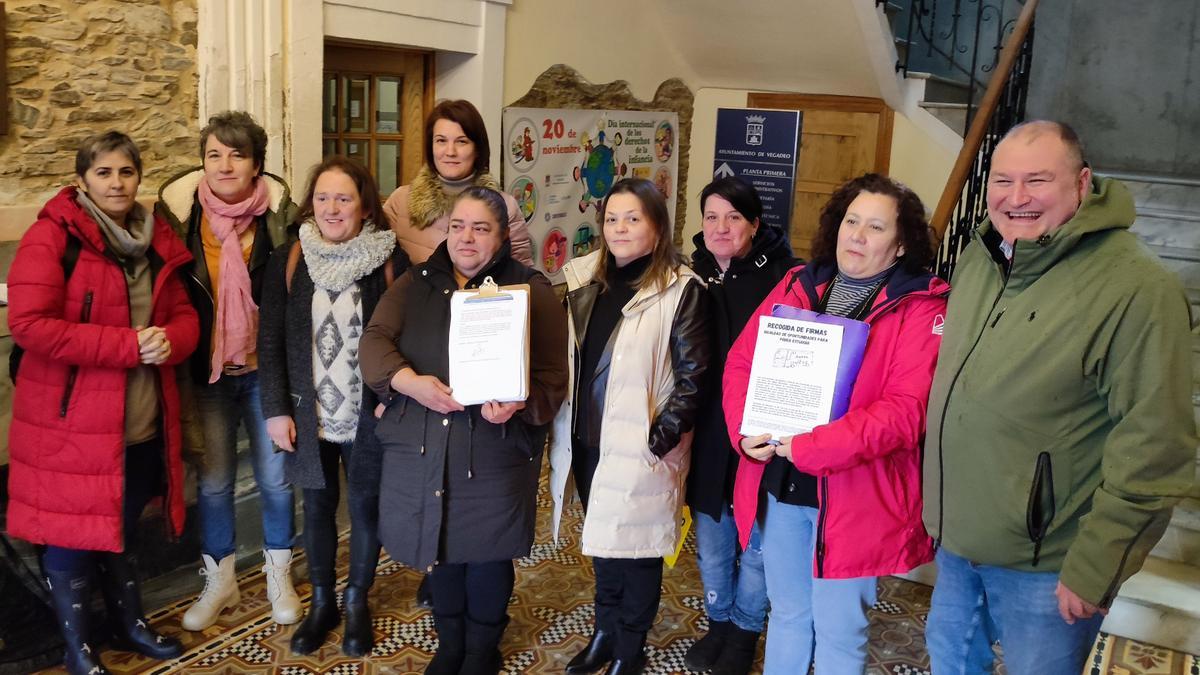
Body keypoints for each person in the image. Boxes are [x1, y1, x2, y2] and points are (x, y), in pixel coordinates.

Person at [922, 121, 1196, 675]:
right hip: (959, 545)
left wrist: (1098, 567)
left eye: (1038, 180)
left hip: (1048, 563)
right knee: (949, 661)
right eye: (1003, 180)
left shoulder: (1136, 288)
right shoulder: (981, 257)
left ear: (1082, 183)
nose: (1016, 198)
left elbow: (1156, 447)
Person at [723, 174, 948, 674]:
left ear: (901, 243)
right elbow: (743, 362)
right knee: (786, 615)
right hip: (782, 483)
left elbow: (905, 411)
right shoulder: (801, 282)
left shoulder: (922, 307)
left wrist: (812, 446)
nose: (857, 236)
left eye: (874, 226)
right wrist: (745, 429)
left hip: (854, 496)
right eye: (851, 221)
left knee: (840, 632)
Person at [7, 132, 199, 674]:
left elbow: (183, 314)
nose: (117, 183)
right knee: (70, 537)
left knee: (122, 526)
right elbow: (28, 325)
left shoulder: (155, 236)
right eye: (104, 173)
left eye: (126, 172)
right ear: (83, 180)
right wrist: (127, 345)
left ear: (139, 178)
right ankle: (78, 649)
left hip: (139, 420)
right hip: (71, 422)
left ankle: (130, 625)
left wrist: (171, 340)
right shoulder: (52, 237)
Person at [361, 186, 568, 674]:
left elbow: (554, 378)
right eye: (458, 226)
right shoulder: (416, 283)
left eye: (481, 228)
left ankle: (480, 651)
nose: (466, 238)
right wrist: (408, 382)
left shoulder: (529, 290)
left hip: (493, 451)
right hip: (427, 444)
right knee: (444, 552)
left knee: (489, 555)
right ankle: (450, 645)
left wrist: (519, 403)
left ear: (501, 237)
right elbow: (373, 343)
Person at [549, 178, 711, 675]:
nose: (620, 229)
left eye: (633, 218)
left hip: (642, 446)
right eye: (612, 219)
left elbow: (694, 377)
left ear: (657, 226)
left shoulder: (681, 290)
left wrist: (657, 441)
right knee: (603, 539)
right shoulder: (584, 280)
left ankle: (629, 648)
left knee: (637, 550)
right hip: (587, 439)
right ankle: (604, 632)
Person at [257, 156, 410, 656]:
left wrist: (392, 398)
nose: (331, 207)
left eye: (343, 198)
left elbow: (408, 339)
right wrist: (276, 409)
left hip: (369, 413)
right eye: (322, 197)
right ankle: (323, 601)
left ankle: (357, 600)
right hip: (308, 414)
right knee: (317, 508)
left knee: (366, 506)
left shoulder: (391, 261)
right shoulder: (290, 258)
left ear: (365, 206)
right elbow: (271, 340)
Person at [155, 110, 301, 631]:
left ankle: (277, 573)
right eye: (214, 154)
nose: (224, 164)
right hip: (208, 375)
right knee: (214, 483)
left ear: (257, 165)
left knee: (275, 479)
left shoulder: (280, 218)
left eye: (236, 154)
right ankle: (220, 579)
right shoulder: (182, 218)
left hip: (267, 372)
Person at [684, 177, 796, 675]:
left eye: (734, 217)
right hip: (707, 429)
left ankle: (746, 629)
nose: (721, 227)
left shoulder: (789, 278)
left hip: (759, 432)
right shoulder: (692, 276)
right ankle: (720, 621)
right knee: (713, 537)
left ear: (754, 223)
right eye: (712, 217)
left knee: (755, 540)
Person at [383, 99, 532, 266]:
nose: (450, 152)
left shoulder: (505, 207)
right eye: (441, 141)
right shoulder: (401, 201)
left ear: (477, 149)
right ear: (430, 146)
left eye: (461, 141)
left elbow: (521, 278)